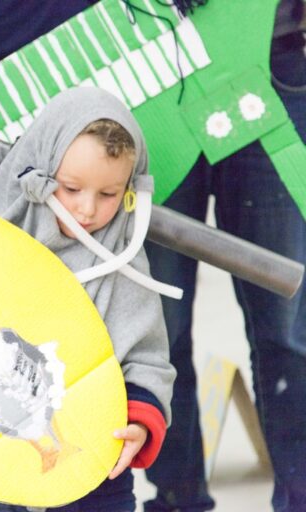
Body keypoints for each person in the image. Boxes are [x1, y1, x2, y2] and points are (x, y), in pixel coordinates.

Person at [0, 86, 174, 511]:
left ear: (131, 190)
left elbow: (147, 360)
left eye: (109, 194)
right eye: (71, 188)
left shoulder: (124, 264)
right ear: (37, 173)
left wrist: (137, 421)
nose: (87, 210)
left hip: (94, 467)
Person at [143, 2, 306, 511]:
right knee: (157, 334)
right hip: (141, 66)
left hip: (266, 54)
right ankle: (177, 498)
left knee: (287, 322)